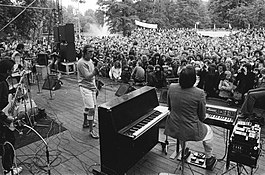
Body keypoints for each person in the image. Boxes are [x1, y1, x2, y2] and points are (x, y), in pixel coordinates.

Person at [164, 65, 217, 170]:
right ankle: (209, 158)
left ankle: (183, 151)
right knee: (209, 132)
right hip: (190, 130)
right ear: (193, 79)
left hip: (174, 126)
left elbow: (169, 107)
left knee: (183, 130)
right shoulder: (199, 93)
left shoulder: (172, 87)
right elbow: (201, 116)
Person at [0, 59, 23, 175]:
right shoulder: (2, 83)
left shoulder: (2, 81)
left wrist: (13, 90)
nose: (13, 71)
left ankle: (6, 168)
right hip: (2, 120)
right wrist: (5, 117)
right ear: (8, 70)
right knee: (9, 142)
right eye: (12, 69)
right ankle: (8, 170)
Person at [77, 45, 100, 139]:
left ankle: (85, 123)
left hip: (91, 87)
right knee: (91, 109)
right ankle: (91, 131)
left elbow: (92, 77)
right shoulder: (81, 63)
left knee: (89, 107)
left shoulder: (90, 61)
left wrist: (95, 87)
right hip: (85, 87)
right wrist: (97, 69)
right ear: (84, 52)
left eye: (93, 51)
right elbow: (87, 76)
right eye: (90, 52)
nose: (92, 53)